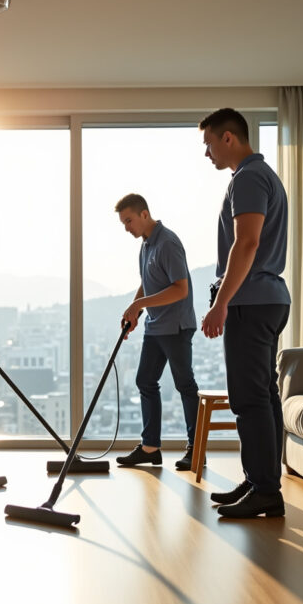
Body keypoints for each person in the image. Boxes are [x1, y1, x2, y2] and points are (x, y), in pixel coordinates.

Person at [199, 108, 291, 519]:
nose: (207, 153)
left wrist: (221, 303)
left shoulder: (249, 178)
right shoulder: (263, 175)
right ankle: (260, 481)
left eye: (209, 144)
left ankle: (265, 490)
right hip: (268, 299)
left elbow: (247, 242)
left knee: (249, 398)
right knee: (264, 395)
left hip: (250, 302)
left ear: (228, 138)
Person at [113, 194, 201, 469]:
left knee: (185, 385)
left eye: (128, 220)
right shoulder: (146, 246)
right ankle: (150, 448)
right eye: (123, 223)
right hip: (155, 325)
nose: (126, 227)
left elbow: (180, 289)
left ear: (144, 214)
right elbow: (147, 283)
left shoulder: (168, 243)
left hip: (176, 326)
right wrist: (135, 312)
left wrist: (139, 304)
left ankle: (196, 450)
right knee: (145, 381)